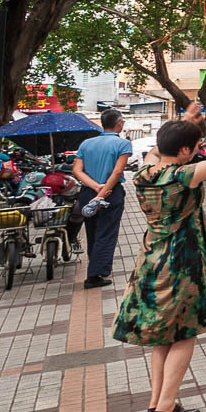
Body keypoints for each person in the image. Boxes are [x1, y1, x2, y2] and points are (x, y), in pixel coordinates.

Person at [111, 104, 206, 412]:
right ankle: (164, 407)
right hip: (182, 263)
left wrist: (186, 122)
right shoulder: (183, 176)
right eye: (195, 147)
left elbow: (159, 148)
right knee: (184, 333)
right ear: (186, 150)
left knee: (163, 336)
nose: (198, 152)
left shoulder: (145, 172)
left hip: (152, 259)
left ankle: (159, 402)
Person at [71, 109, 134, 287]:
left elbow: (76, 170)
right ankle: (95, 275)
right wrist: (102, 192)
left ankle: (94, 271)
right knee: (106, 233)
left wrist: (94, 187)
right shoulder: (123, 144)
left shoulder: (86, 144)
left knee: (92, 232)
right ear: (119, 123)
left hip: (87, 193)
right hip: (110, 194)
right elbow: (118, 171)